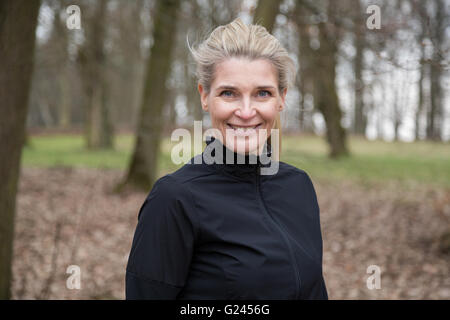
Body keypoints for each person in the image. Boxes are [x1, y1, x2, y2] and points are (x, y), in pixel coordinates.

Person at [125, 17, 328, 300]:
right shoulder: (174, 199)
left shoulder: (299, 187)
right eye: (229, 93)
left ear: (281, 98)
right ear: (205, 96)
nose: (246, 112)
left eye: (262, 93)